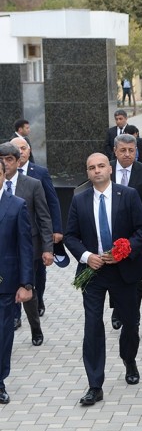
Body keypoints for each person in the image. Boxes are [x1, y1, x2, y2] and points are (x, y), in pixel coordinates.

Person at [64, 153, 142, 406]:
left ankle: (129, 359)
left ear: (110, 169)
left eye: (101, 166)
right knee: (92, 325)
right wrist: (87, 256)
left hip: (124, 270)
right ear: (88, 173)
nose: (97, 171)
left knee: (130, 322)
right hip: (93, 272)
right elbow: (70, 236)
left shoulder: (129, 195)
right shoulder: (79, 200)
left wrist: (124, 251)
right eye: (91, 168)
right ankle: (94, 383)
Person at [108, 134, 142, 330]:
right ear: (115, 151)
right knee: (114, 274)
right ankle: (118, 310)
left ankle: (133, 313)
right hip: (111, 233)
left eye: (131, 150)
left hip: (137, 235)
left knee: (134, 277)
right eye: (123, 150)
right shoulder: (107, 169)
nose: (128, 154)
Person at [3, 142, 51, 346]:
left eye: (9, 159)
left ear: (18, 161)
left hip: (27, 249)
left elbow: (43, 216)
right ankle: (11, 321)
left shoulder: (32, 184)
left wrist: (48, 248)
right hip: (3, 250)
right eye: (0, 160)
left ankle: (35, 327)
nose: (4, 164)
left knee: (28, 289)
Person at [10, 137, 62, 320]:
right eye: (17, 149)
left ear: (29, 150)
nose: (21, 152)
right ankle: (15, 315)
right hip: (10, 240)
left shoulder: (39, 173)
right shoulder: (4, 176)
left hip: (35, 236)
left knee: (37, 275)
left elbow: (51, 203)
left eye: (23, 148)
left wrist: (56, 229)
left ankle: (38, 300)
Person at [0, 154, 34, 405]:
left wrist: (26, 283)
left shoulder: (16, 205)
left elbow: (25, 247)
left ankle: (0, 380)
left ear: (4, 174)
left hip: (5, 282)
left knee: (3, 334)